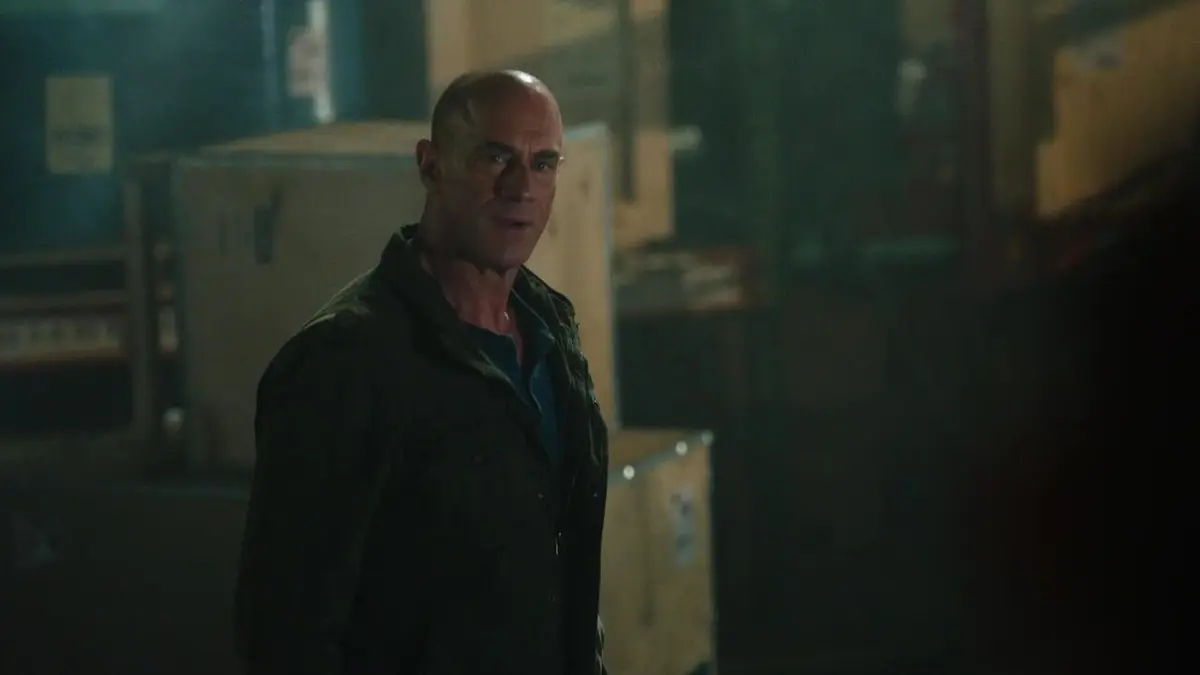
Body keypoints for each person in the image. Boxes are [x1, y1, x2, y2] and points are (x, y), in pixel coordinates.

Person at [233, 70, 610, 675]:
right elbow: (286, 628)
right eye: (496, 157)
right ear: (432, 167)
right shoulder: (346, 361)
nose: (521, 187)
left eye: (543, 164)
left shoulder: (551, 333)